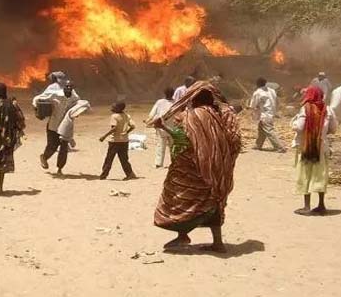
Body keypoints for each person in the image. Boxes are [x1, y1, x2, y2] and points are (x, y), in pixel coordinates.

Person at [152, 81, 241, 253]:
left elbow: (181, 139)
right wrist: (221, 158)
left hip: (192, 167)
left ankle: (182, 234)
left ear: (193, 98)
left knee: (180, 198)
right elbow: (235, 140)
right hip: (216, 167)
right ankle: (217, 242)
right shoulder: (223, 114)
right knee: (213, 201)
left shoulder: (190, 117)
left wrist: (163, 127)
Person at [292, 86, 337, 215]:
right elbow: (333, 129)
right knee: (320, 175)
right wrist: (321, 132)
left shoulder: (305, 109)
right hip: (321, 147)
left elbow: (299, 127)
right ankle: (321, 205)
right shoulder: (328, 109)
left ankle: (306, 206)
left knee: (305, 175)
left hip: (306, 147)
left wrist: (293, 123)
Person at [34, 80, 80, 176]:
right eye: (66, 86)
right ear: (63, 87)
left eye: (70, 86)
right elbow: (37, 98)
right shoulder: (55, 95)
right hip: (53, 126)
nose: (68, 88)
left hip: (65, 126)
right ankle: (44, 157)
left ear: (72, 88)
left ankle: (59, 169)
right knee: (52, 146)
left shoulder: (75, 98)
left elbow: (78, 109)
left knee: (63, 149)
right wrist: (36, 109)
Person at [99, 102, 137, 180]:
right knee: (124, 159)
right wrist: (126, 132)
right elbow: (133, 126)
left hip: (114, 141)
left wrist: (104, 136)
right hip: (124, 140)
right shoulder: (127, 116)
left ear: (118, 108)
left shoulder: (114, 116)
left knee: (109, 159)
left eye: (114, 106)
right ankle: (130, 174)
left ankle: (104, 175)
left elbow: (114, 128)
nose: (112, 107)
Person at [249, 77, 286, 152]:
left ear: (257, 84)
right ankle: (258, 145)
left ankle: (280, 147)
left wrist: (252, 110)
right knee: (261, 129)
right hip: (271, 112)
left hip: (265, 114)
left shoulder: (258, 92)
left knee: (269, 130)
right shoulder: (272, 90)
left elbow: (253, 105)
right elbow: (276, 101)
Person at [145, 87, 175, 168]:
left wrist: (149, 121)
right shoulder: (176, 102)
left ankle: (159, 163)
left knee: (160, 146)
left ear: (164, 93)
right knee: (173, 146)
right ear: (173, 93)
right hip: (172, 128)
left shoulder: (160, 102)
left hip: (161, 127)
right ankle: (174, 162)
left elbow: (152, 113)